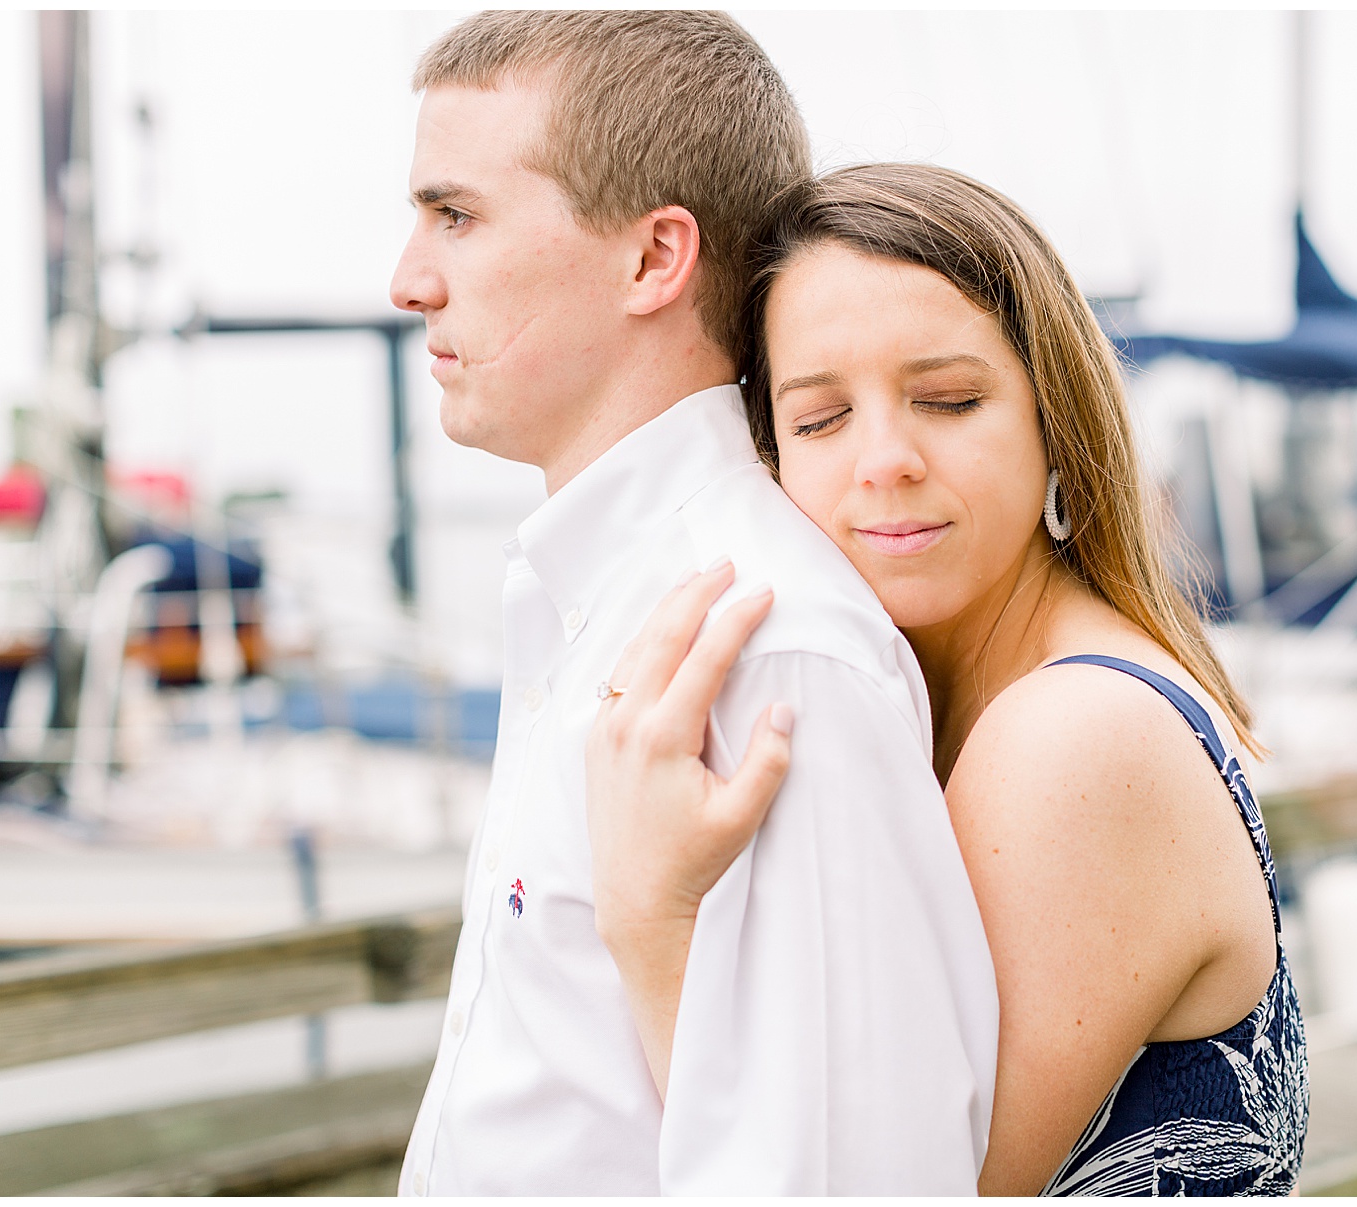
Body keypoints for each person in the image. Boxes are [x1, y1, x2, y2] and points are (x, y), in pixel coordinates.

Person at [586, 163, 1310, 1196]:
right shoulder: (974, 703)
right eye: (822, 419)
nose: (884, 458)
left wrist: (650, 918)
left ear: (1054, 417)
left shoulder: (1073, 736)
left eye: (949, 399)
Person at [387, 14, 997, 1196]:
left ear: (655, 259)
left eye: (455, 215)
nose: (409, 279)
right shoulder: (596, 598)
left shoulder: (775, 649)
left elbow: (856, 1181)